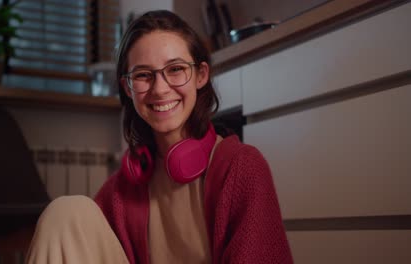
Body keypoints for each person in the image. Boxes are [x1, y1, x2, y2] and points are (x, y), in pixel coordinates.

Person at [26, 10, 293, 264]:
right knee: (65, 212)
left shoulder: (243, 167)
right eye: (143, 75)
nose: (160, 89)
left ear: (200, 75)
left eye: (175, 69)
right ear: (127, 87)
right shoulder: (120, 192)